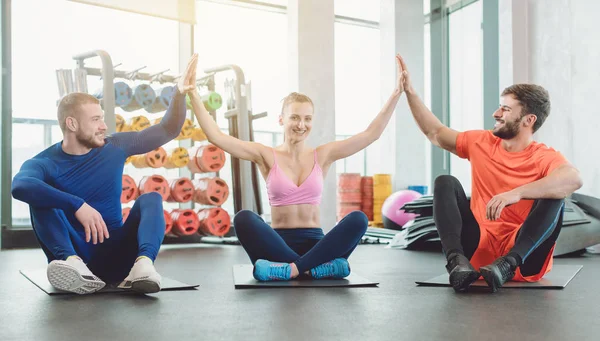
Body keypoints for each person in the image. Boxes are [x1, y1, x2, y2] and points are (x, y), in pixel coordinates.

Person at [188, 55, 407, 281]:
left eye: (307, 119)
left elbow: (371, 135)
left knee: (359, 219)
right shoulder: (265, 155)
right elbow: (216, 136)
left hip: (318, 244)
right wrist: (193, 93)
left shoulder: (323, 155)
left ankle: (292, 270)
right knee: (243, 218)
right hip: (277, 244)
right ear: (281, 119)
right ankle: (315, 269)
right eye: (294, 117)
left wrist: (395, 94)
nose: (301, 125)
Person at [11, 54, 199, 294]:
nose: (104, 126)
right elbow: (20, 186)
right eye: (96, 119)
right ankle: (72, 264)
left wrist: (179, 94)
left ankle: (143, 266)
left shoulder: (116, 146)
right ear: (72, 124)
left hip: (117, 255)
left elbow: (167, 129)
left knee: (151, 199)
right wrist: (78, 205)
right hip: (77, 255)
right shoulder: (45, 162)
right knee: (39, 197)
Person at [397, 54, 583, 292]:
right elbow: (435, 133)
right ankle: (457, 262)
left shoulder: (544, 156)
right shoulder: (481, 142)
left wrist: (515, 193)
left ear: (529, 120)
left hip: (524, 259)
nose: (496, 113)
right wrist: (410, 92)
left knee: (556, 193)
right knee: (445, 182)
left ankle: (508, 263)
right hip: (478, 249)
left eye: (505, 109)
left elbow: (574, 178)